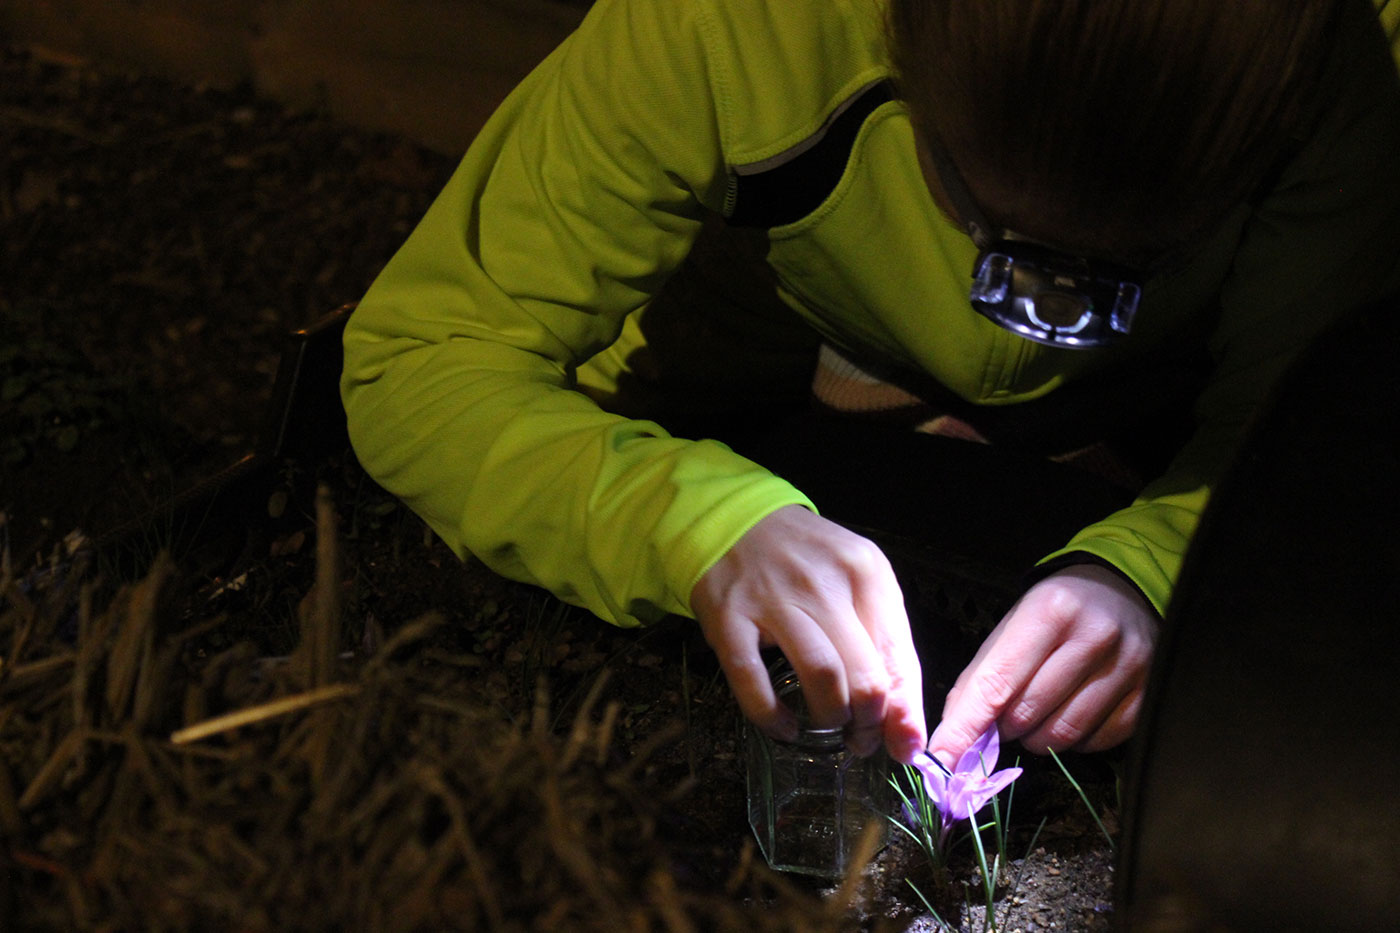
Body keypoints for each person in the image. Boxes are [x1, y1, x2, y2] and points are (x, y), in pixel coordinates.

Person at [341, 0, 1400, 769]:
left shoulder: (1350, 69)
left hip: (1148, 410)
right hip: (755, 360)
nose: (1029, 317)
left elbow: (1321, 416)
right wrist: (698, 524)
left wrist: (1155, 567)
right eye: (982, 225)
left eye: (1129, 264)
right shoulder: (734, 26)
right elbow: (425, 361)